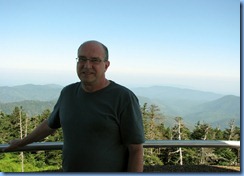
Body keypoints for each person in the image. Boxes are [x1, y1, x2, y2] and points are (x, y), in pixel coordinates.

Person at [4, 40, 145, 172]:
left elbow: (136, 149)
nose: (87, 65)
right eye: (82, 59)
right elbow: (49, 125)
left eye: (95, 60)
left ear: (106, 65)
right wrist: (22, 142)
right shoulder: (68, 93)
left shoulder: (124, 97)